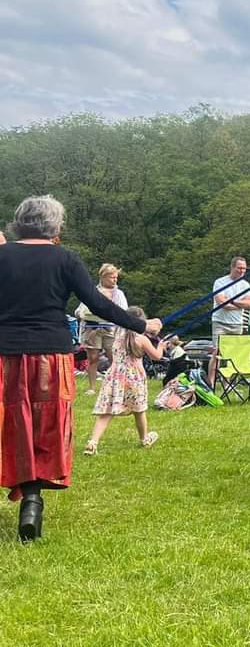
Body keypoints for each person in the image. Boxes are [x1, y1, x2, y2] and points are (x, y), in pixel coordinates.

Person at [0, 195, 162, 542]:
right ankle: (32, 498)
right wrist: (140, 325)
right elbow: (98, 303)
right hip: (52, 356)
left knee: (12, 422)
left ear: (19, 222)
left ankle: (24, 490)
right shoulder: (65, 258)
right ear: (55, 226)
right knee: (47, 425)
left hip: (7, 354)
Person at [83, 307, 163, 454]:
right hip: (135, 378)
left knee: (106, 412)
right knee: (139, 410)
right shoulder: (142, 339)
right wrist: (162, 346)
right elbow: (156, 356)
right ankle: (144, 438)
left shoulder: (117, 335)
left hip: (115, 376)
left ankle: (93, 442)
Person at [74, 263, 128, 396]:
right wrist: (81, 314)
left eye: (116, 277)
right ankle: (92, 387)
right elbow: (79, 311)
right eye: (111, 277)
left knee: (113, 357)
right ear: (103, 277)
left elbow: (124, 312)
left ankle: (115, 386)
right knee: (92, 357)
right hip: (92, 329)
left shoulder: (119, 294)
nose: (115, 280)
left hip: (111, 329)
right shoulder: (93, 292)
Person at [208, 257, 250, 387]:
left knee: (232, 354)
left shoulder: (245, 285)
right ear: (232, 267)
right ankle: (210, 383)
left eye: (244, 268)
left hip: (237, 323)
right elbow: (222, 303)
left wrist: (232, 301)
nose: (242, 271)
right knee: (217, 353)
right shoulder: (220, 282)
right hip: (220, 322)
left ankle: (227, 384)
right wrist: (239, 304)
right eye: (239, 268)